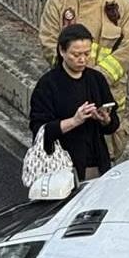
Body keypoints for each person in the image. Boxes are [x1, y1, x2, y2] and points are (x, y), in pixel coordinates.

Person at [39, 0, 129, 159]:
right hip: (68, 98)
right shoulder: (58, 3)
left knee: (105, 165)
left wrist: (96, 80)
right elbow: (49, 44)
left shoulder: (122, 6)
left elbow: (127, 51)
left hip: (108, 101)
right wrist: (77, 79)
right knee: (66, 164)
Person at [29, 24, 121, 182]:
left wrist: (105, 120)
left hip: (96, 162)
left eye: (87, 53)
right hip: (61, 166)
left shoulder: (96, 79)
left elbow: (113, 125)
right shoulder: (48, 84)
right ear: (62, 51)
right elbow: (40, 131)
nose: (83, 59)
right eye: (76, 54)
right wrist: (74, 121)